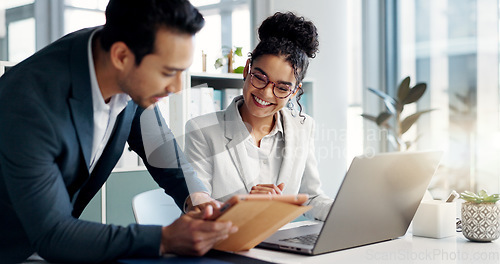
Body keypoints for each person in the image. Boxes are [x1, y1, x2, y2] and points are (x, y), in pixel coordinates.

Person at [0, 0, 236, 263]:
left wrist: (198, 197)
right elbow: (53, 234)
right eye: (169, 72)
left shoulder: (126, 64)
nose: (177, 87)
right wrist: (165, 238)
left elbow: (158, 145)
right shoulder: (28, 104)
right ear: (121, 57)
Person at [184, 12, 333, 221]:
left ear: (295, 92)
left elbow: (312, 196)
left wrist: (345, 213)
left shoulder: (303, 127)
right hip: (228, 243)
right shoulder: (201, 130)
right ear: (247, 69)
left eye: (282, 88)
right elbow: (198, 208)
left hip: (282, 246)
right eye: (260, 77)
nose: (266, 93)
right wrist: (244, 206)